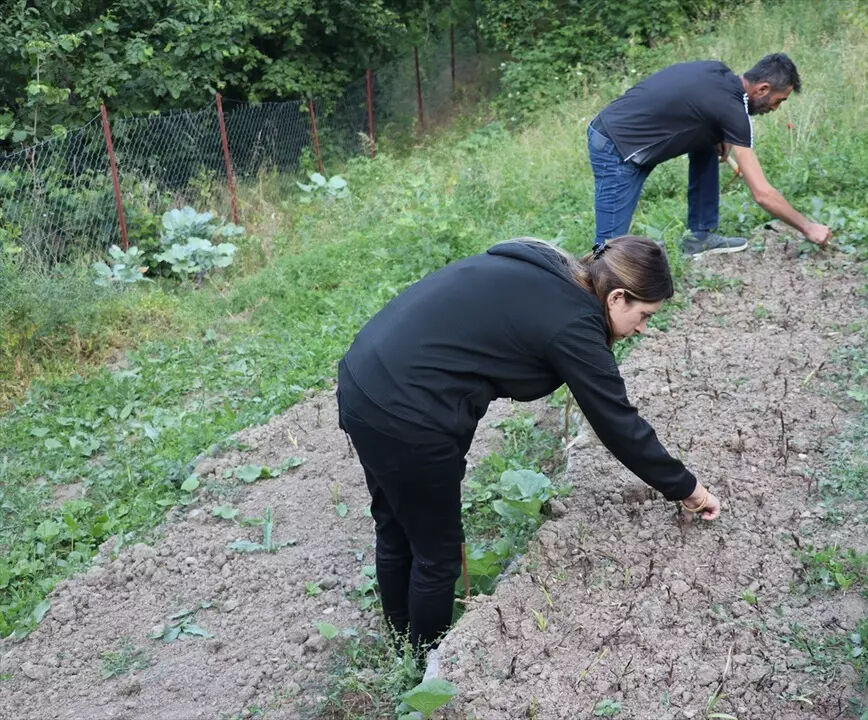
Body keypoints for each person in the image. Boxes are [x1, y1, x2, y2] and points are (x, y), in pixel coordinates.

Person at [336, 236, 720, 656]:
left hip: (364, 376)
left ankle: (402, 649)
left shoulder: (552, 267)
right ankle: (425, 670)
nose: (643, 328)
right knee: (437, 554)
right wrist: (688, 489)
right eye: (643, 315)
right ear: (617, 297)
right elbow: (619, 425)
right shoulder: (574, 325)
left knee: (394, 526)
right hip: (406, 410)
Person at [588, 53, 832, 255]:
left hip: (623, 135)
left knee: (706, 143)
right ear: (763, 88)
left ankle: (700, 236)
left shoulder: (718, 72)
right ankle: (595, 298)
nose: (776, 108)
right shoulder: (732, 111)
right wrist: (807, 227)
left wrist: (717, 136)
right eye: (779, 101)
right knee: (609, 253)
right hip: (615, 146)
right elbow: (762, 194)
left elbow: (696, 103)